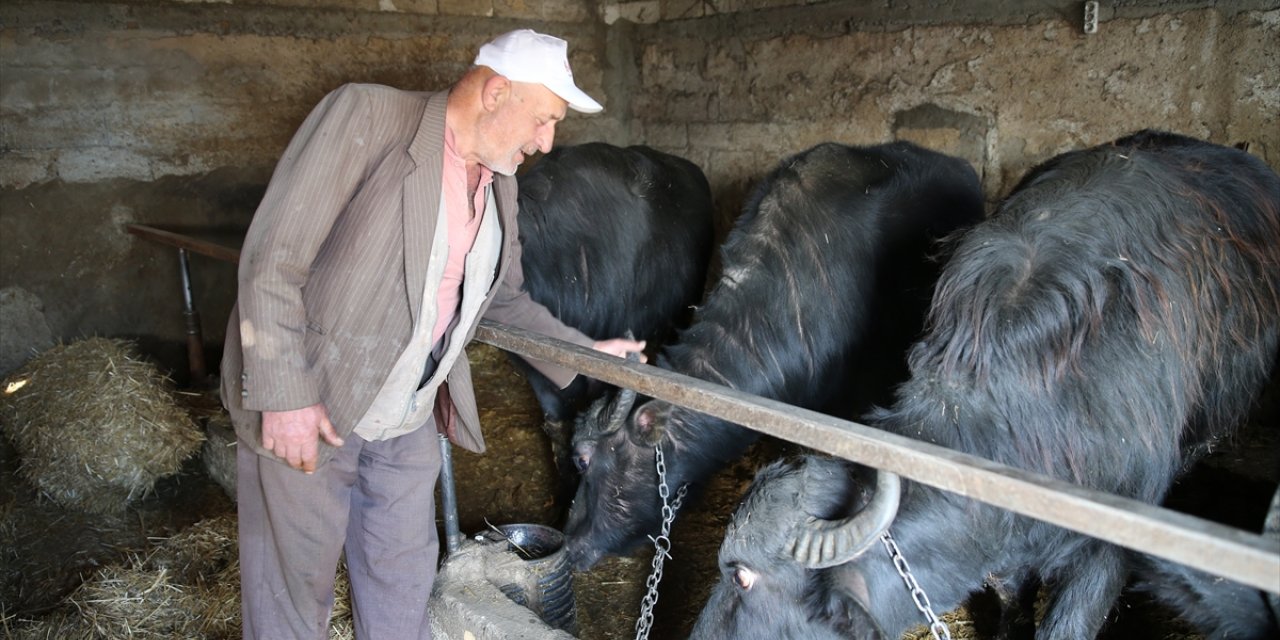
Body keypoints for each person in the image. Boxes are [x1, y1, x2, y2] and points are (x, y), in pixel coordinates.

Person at [219, 29, 645, 639]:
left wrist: (585, 352)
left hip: (410, 411)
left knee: (402, 576)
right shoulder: (366, 116)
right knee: (292, 589)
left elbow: (501, 299)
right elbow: (272, 258)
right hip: (317, 400)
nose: (547, 142)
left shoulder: (500, 179)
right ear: (496, 92)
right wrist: (284, 394)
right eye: (545, 120)